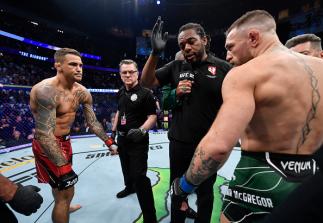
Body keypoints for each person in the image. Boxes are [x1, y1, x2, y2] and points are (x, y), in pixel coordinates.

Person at [171, 10, 323, 223]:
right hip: (310, 183)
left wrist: (184, 185)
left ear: (253, 37)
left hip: (256, 181)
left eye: (230, 47)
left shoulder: (245, 73)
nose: (227, 56)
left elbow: (218, 147)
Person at [141, 17, 231, 223]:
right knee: (178, 191)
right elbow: (146, 83)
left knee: (206, 193)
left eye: (191, 41)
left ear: (205, 40)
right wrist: (155, 53)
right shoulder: (176, 65)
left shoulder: (224, 68)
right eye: (182, 44)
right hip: (180, 142)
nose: (187, 47)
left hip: (209, 143)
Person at [29, 48, 117, 223]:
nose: (79, 69)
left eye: (81, 65)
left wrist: (109, 142)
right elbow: (45, 134)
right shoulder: (46, 91)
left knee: (62, 189)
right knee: (67, 190)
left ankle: (64, 205)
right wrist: (63, 168)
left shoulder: (82, 91)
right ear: (58, 66)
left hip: (65, 143)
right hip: (47, 144)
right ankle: (63, 205)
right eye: (73, 64)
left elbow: (92, 122)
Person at [113, 59, 157, 222]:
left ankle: (150, 216)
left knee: (140, 176)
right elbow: (118, 112)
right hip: (122, 139)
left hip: (138, 142)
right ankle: (129, 188)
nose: (128, 75)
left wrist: (142, 130)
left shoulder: (146, 94)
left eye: (131, 71)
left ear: (137, 73)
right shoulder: (120, 92)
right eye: (124, 72)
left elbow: (152, 116)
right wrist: (113, 133)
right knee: (126, 169)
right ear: (120, 74)